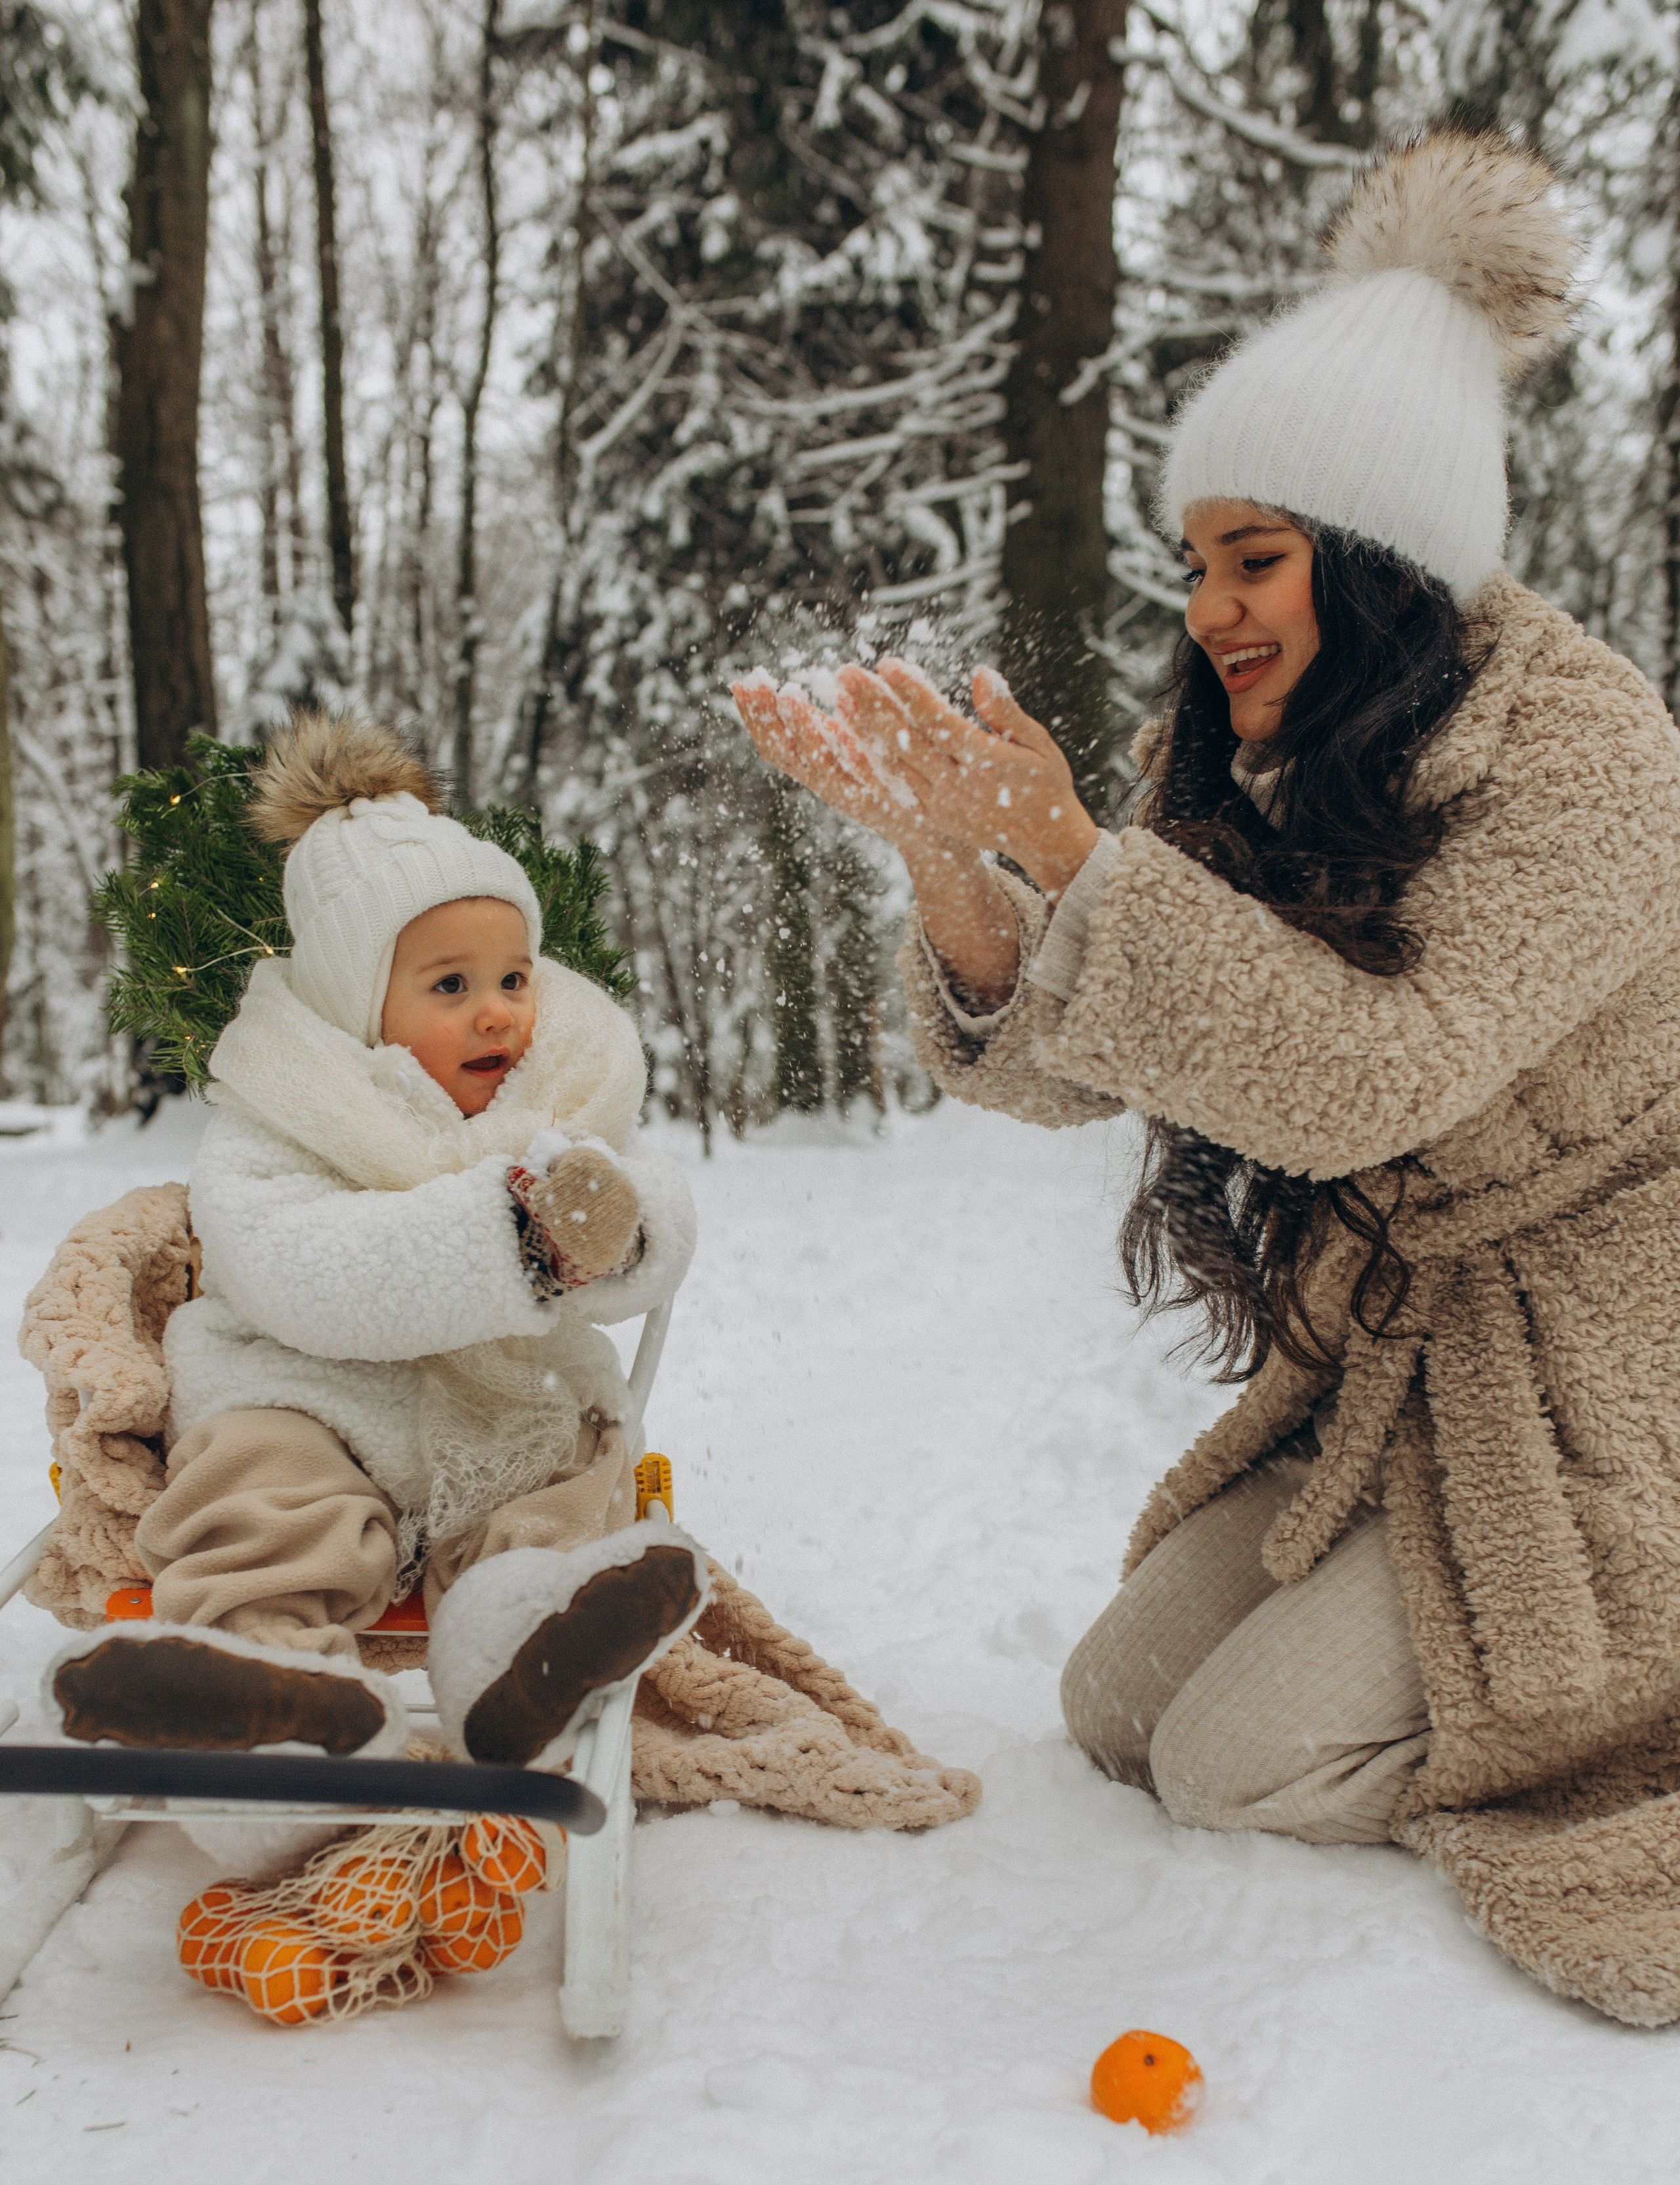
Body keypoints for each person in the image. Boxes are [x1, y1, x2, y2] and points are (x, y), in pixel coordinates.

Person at [734, 128, 1680, 2025]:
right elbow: (1079, 1060)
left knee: (1236, 1765)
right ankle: (1414, 1602)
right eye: (1197, 565)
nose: (1210, 611)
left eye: (1256, 561)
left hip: (1595, 1376)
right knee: (1116, 1706)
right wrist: (953, 869)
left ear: (1383, 561)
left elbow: (1368, 1080)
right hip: (1400, 1371)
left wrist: (1074, 854)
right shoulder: (1277, 746)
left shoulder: (1594, 759)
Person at [45, 712, 707, 1832]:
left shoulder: (563, 1098)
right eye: (450, 985)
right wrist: (509, 1241)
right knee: (260, 1501)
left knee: (561, 1494)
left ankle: (524, 1648)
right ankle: (259, 1690)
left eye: (513, 976)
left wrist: (615, 1232)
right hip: (310, 1398)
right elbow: (300, 1269)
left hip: (506, 1404)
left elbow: (656, 1221)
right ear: (360, 1004)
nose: (497, 1009)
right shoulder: (278, 1113)